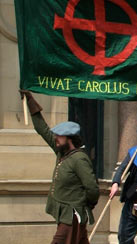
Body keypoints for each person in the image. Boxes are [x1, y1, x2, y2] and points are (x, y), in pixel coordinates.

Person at [20, 91, 100, 244]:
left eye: (59, 135)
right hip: (65, 214)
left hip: (72, 215)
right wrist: (30, 101)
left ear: (69, 139)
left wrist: (86, 205)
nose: (55, 138)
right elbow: (42, 129)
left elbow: (92, 188)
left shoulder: (79, 159)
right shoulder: (61, 151)